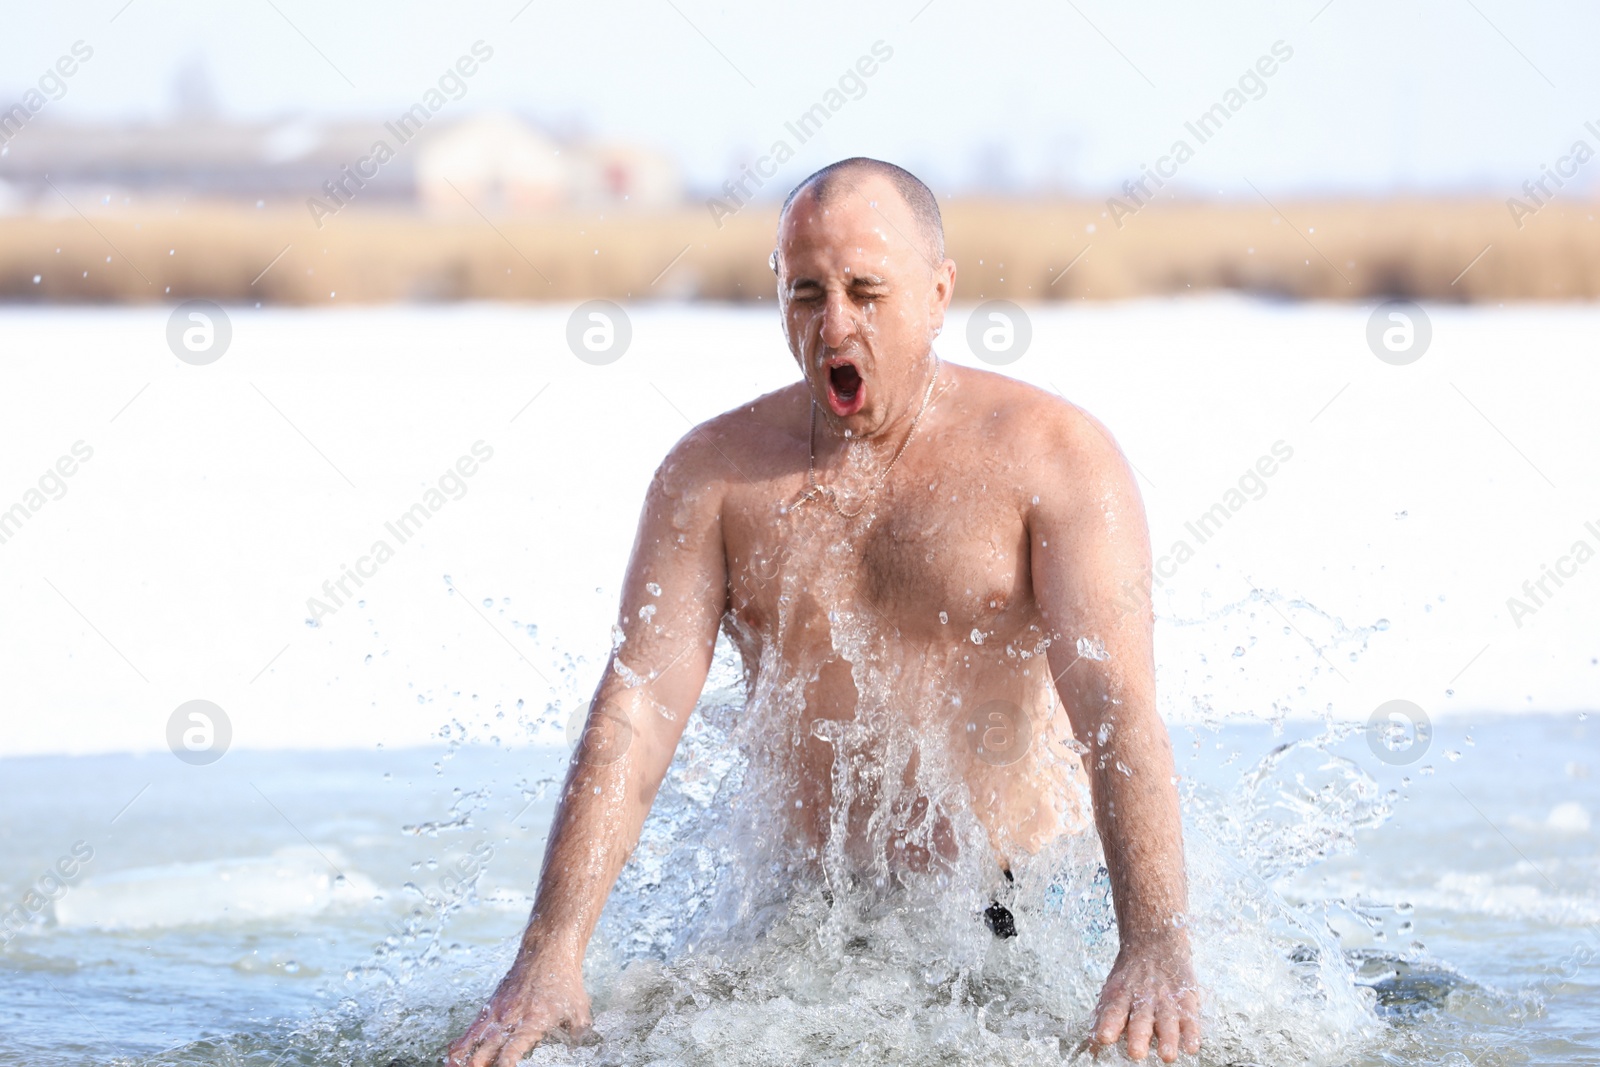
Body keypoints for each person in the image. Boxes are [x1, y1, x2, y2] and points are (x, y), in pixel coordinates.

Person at [448, 157, 1200, 1066]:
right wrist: (550, 954)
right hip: (807, 918)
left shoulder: (1053, 458)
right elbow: (636, 707)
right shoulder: (716, 475)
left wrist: (1154, 943)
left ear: (938, 291)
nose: (834, 323)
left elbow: (1116, 707)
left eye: (865, 290)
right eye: (806, 292)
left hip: (1018, 913)